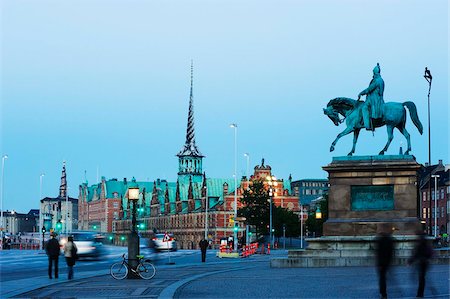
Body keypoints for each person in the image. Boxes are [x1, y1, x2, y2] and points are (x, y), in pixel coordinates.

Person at [358, 63, 385, 131]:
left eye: (373, 73)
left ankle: (367, 125)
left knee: (364, 108)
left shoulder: (376, 80)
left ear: (375, 73)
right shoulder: (381, 80)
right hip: (378, 97)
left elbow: (369, 89)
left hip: (374, 98)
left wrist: (361, 93)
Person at [408, 231, 433, 298]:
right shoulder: (426, 243)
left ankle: (420, 293)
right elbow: (430, 252)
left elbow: (416, 254)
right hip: (425, 263)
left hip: (421, 262)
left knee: (421, 278)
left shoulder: (419, 244)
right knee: (422, 277)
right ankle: (421, 293)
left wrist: (410, 261)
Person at [375, 224, 394, 299]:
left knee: (382, 278)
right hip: (387, 262)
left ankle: (383, 293)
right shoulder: (390, 240)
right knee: (384, 277)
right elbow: (391, 252)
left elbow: (378, 252)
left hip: (381, 262)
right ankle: (383, 293)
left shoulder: (380, 240)